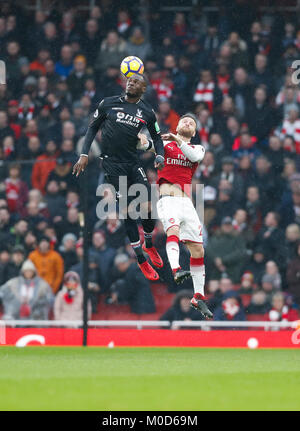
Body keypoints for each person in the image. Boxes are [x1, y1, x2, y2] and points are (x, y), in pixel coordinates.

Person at [73, 73, 165, 281]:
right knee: (128, 212)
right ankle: (141, 259)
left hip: (133, 163)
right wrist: (84, 154)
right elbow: (92, 128)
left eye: (136, 82)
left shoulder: (147, 112)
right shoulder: (107, 104)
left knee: (148, 206)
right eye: (129, 80)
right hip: (113, 165)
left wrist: (159, 154)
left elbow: (157, 137)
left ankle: (149, 244)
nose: (131, 83)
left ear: (143, 89)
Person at [139, 113, 212, 318]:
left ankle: (198, 296)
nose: (188, 123)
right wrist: (139, 139)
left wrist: (177, 139)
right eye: (184, 121)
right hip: (168, 198)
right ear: (177, 126)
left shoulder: (197, 148)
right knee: (173, 230)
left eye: (192, 123)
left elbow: (195, 157)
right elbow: (143, 146)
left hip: (187, 204)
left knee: (198, 249)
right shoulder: (164, 144)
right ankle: (176, 269)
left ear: (194, 132)